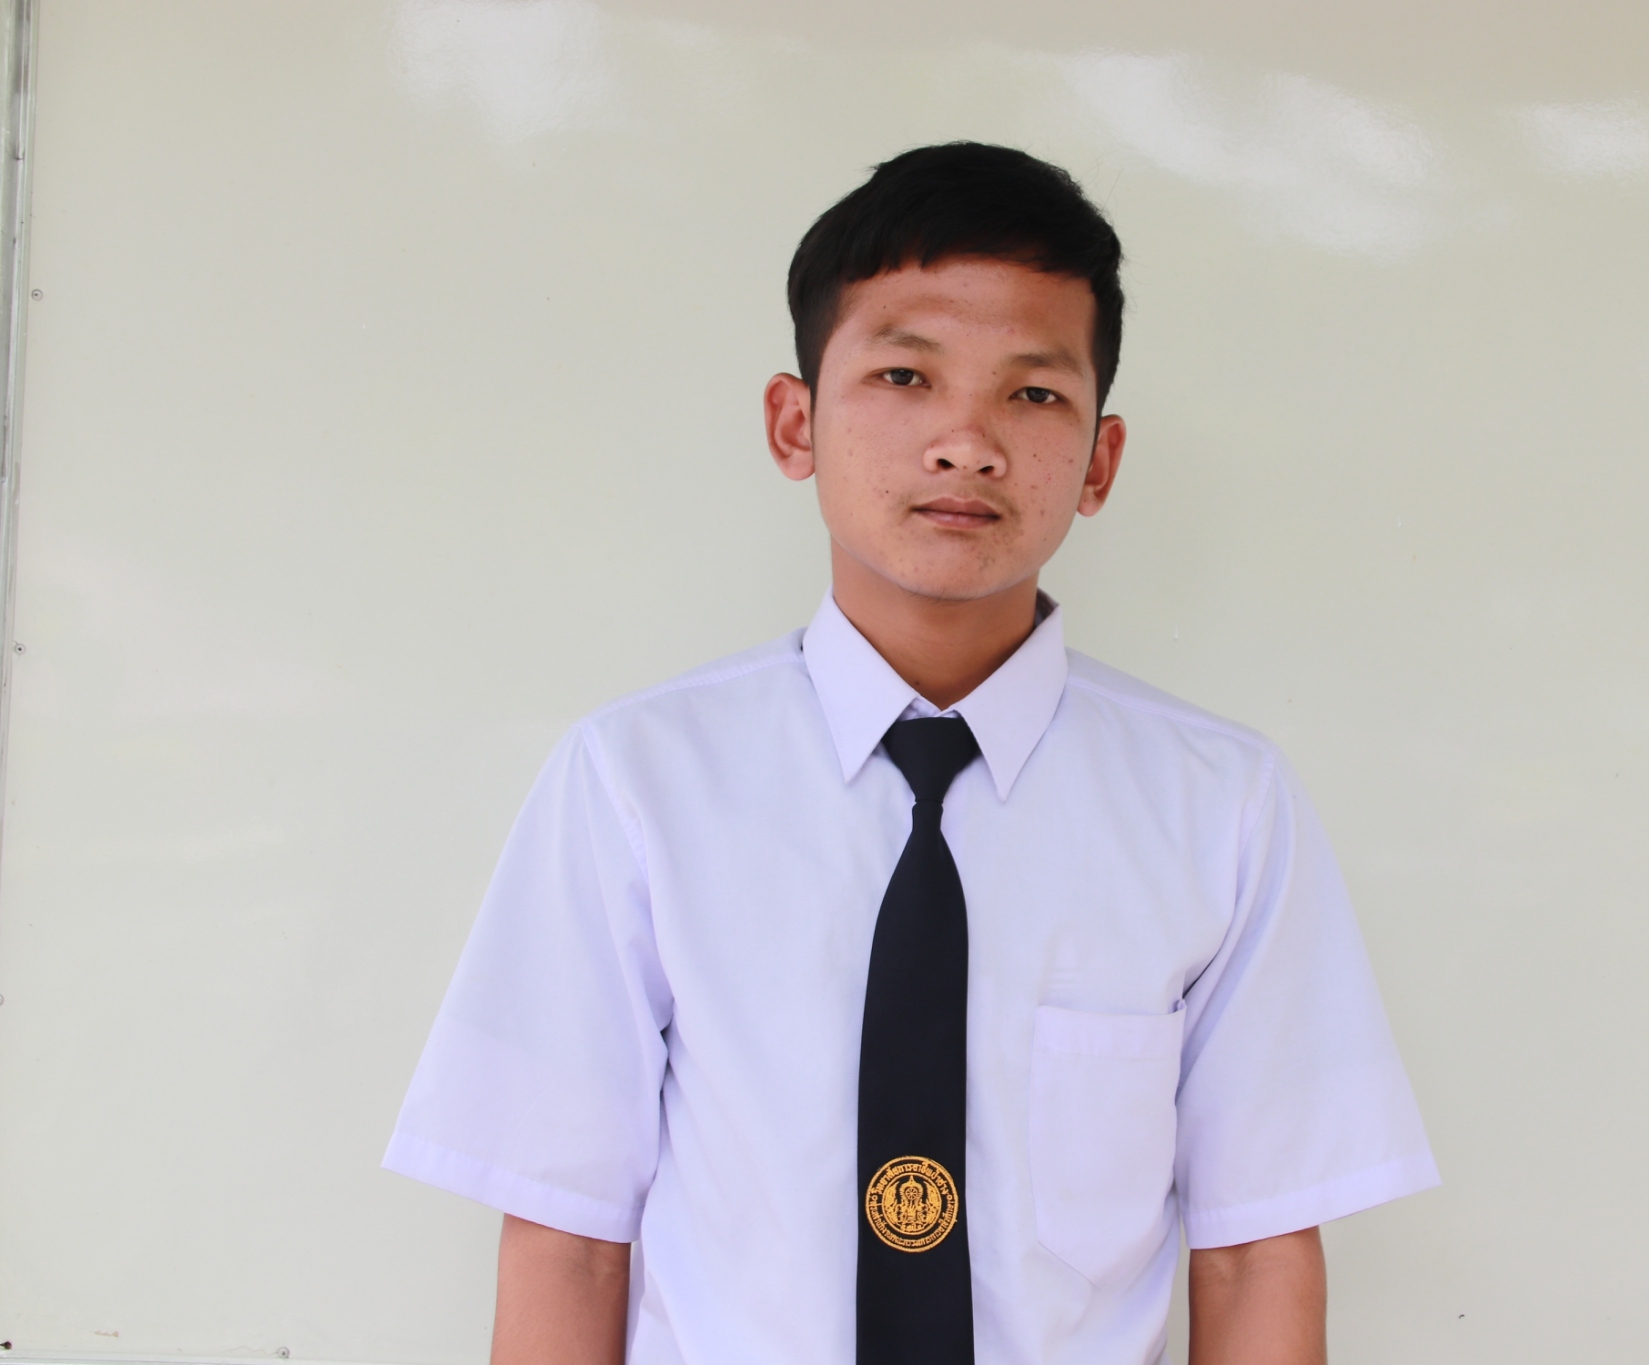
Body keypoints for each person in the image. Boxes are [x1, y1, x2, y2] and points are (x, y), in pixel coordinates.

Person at [385, 142, 1436, 1365]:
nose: (966, 443)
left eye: (1031, 395)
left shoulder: (1220, 808)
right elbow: (567, 1239)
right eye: (902, 376)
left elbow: (1255, 1252)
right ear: (794, 423)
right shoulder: (637, 782)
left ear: (1098, 462)